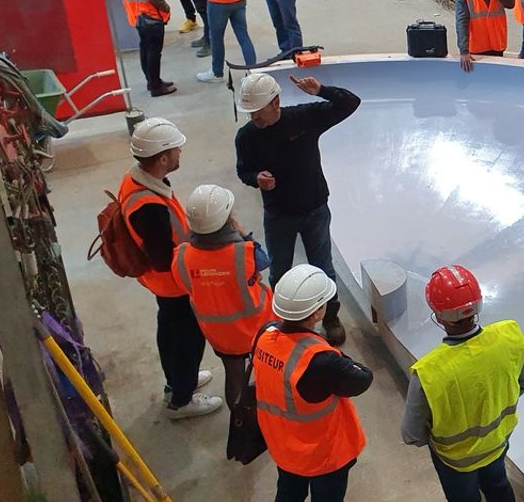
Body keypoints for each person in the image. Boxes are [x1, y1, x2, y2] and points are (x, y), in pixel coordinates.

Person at [234, 73, 360, 345]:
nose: (254, 117)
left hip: (314, 209)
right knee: (279, 271)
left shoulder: (303, 118)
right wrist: (256, 178)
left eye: (258, 110)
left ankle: (330, 317)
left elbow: (351, 103)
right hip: (278, 214)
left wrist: (322, 90)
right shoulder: (246, 136)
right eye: (250, 112)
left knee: (323, 268)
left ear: (275, 102)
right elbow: (243, 170)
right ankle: (286, 321)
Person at [117, 118, 221, 419]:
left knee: (170, 331)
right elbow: (163, 258)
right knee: (187, 338)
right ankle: (182, 400)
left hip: (163, 283)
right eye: (176, 149)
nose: (180, 153)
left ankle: (177, 382)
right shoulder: (149, 207)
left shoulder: (138, 179)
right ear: (163, 158)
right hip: (173, 283)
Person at [402, 265, 524, 502]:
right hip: (497, 442)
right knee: (498, 484)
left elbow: (412, 434)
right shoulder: (509, 336)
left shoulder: (428, 372)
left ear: (439, 316)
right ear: (478, 304)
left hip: (455, 462)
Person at [255, 265, 371, 502]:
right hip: (323, 455)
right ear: (317, 313)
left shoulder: (265, 335)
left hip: (283, 445)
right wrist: (329, 350)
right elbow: (363, 379)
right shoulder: (320, 360)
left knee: (288, 492)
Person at [172, 185, 275, 412]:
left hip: (219, 333)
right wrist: (242, 234)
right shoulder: (244, 252)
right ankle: (269, 414)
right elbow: (264, 261)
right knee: (266, 368)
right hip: (255, 327)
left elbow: (184, 284)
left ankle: (240, 420)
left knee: (234, 373)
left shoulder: (182, 256)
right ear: (228, 219)